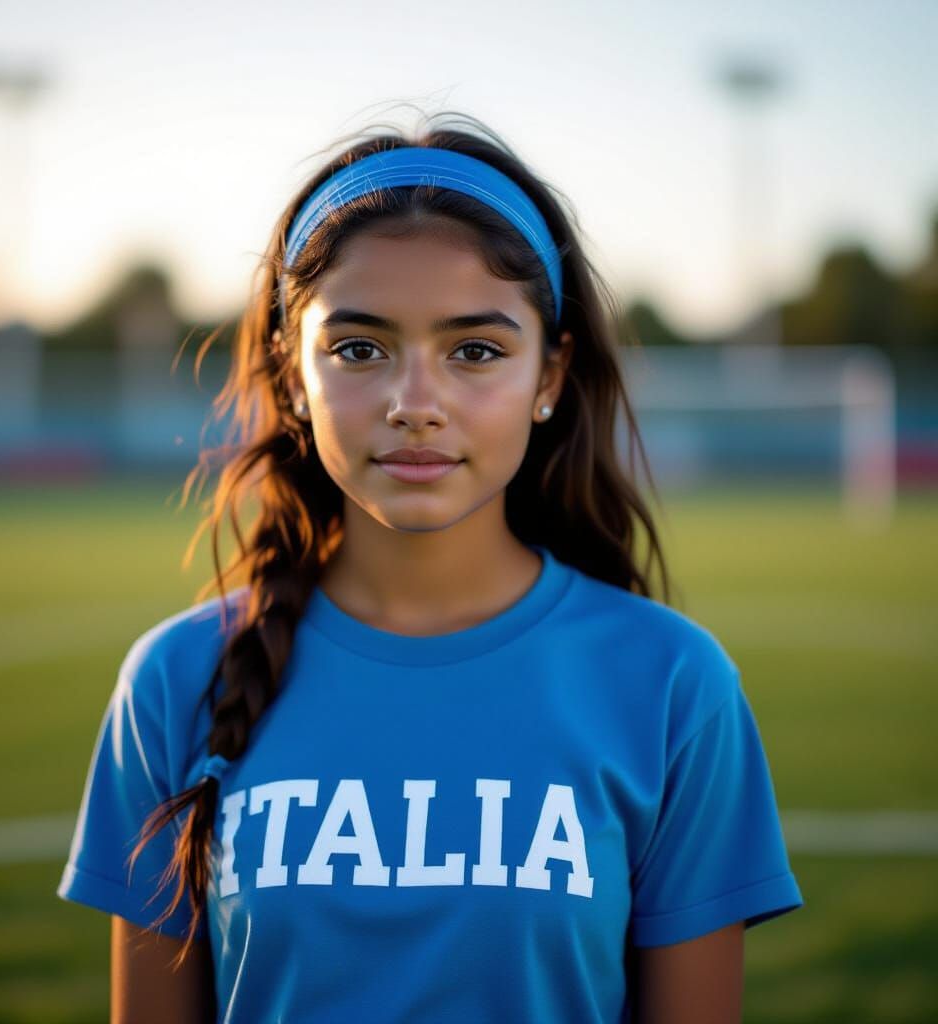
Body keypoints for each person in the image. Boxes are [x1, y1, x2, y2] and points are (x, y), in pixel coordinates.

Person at [57, 107, 803, 1023]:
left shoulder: (673, 686)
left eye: (476, 350)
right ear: (295, 374)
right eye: (360, 349)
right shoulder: (175, 681)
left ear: (550, 377)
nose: (416, 403)